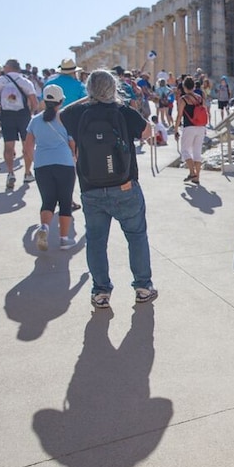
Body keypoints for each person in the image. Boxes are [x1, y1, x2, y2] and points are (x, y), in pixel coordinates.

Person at [60, 69, 157, 308]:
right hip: (125, 187)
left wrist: (90, 97)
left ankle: (101, 292)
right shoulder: (123, 112)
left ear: (88, 89)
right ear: (114, 88)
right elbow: (148, 132)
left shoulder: (77, 113)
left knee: (96, 241)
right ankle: (143, 287)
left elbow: (61, 113)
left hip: (91, 189)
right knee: (136, 237)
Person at [25, 85, 77, 251]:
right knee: (65, 201)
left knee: (48, 201)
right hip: (64, 163)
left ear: (44, 100)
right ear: (60, 101)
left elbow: (27, 146)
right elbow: (72, 143)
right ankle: (63, 238)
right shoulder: (65, 119)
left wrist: (36, 161)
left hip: (42, 165)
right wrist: (74, 156)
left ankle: (44, 228)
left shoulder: (34, 120)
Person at [0, 59, 38, 189]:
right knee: (27, 145)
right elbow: (34, 102)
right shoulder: (25, 81)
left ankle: (10, 173)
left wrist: (1, 110)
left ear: (8, 67)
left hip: (7, 116)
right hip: (23, 115)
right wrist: (30, 112)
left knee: (9, 146)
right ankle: (27, 173)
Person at [176, 76, 208, 184]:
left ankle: (192, 172)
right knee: (197, 153)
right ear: (194, 86)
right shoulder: (200, 97)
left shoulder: (183, 99)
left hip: (189, 127)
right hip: (201, 127)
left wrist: (176, 129)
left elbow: (179, 115)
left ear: (184, 87)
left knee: (185, 151)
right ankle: (197, 178)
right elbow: (205, 111)